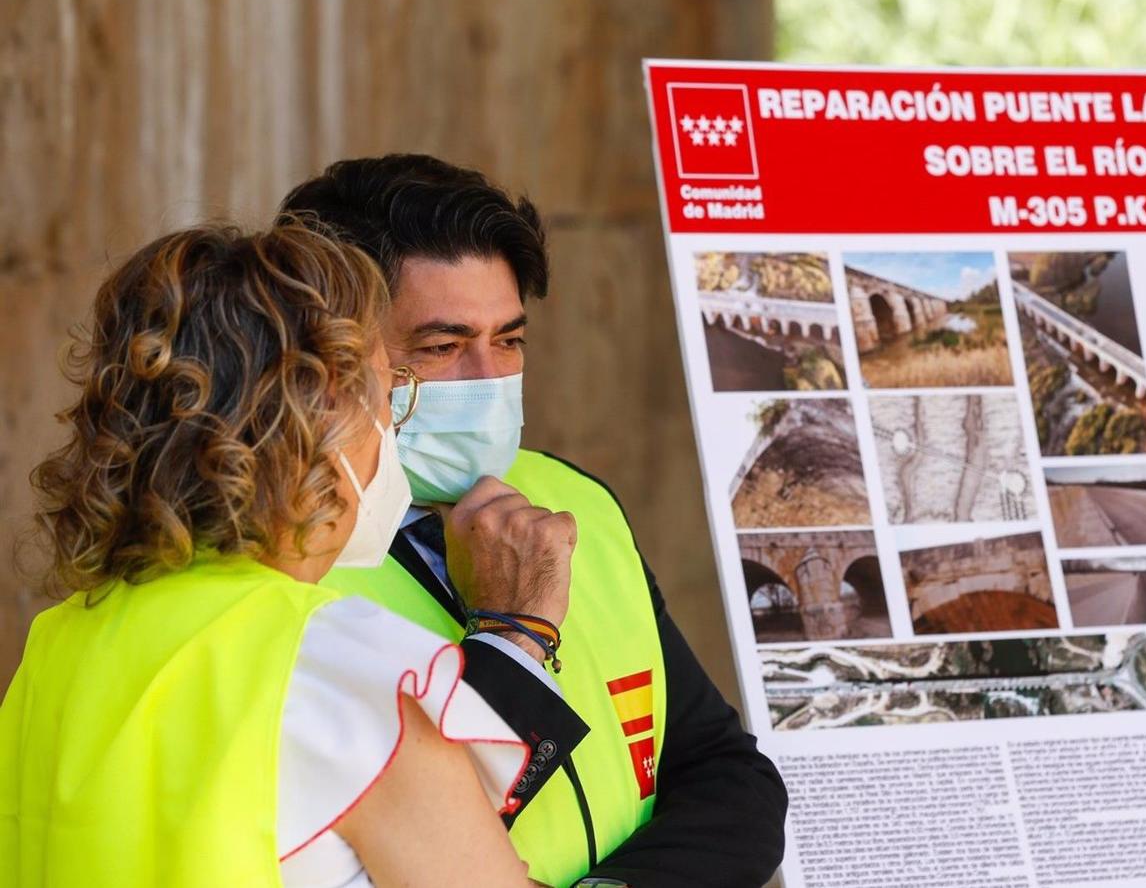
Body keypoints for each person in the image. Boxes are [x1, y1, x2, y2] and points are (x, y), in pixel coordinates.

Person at [282, 155, 787, 888]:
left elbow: (729, 778)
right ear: (330, 354)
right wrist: (511, 634)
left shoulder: (571, 501)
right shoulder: (278, 564)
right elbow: (397, 842)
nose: (489, 381)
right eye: (444, 346)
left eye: (510, 340)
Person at [0, 224, 548, 886]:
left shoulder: (61, 644)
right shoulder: (348, 669)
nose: (390, 439)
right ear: (313, 425)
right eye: (383, 403)